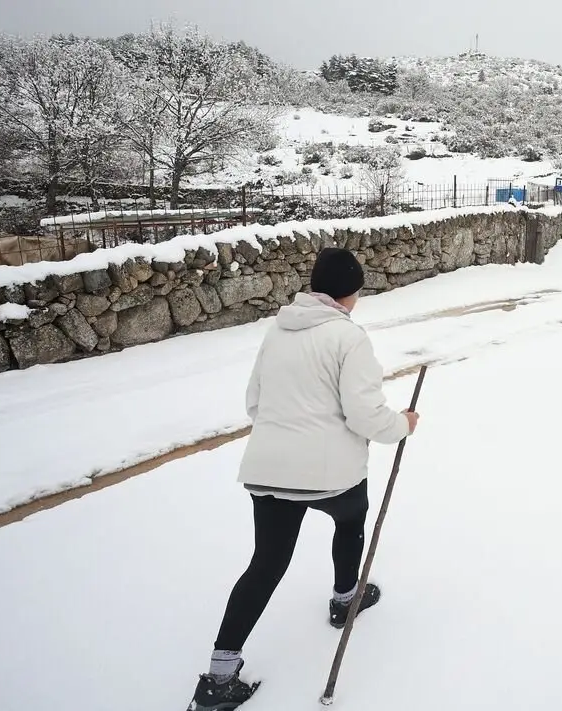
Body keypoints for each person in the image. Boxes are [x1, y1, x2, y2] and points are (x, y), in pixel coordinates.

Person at [187, 247, 420, 711]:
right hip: (329, 474)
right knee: (351, 515)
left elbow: (254, 403)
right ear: (351, 294)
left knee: (266, 565)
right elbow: (365, 415)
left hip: (267, 470)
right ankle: (344, 599)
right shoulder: (348, 339)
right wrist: (403, 425)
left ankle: (218, 677)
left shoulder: (278, 330)